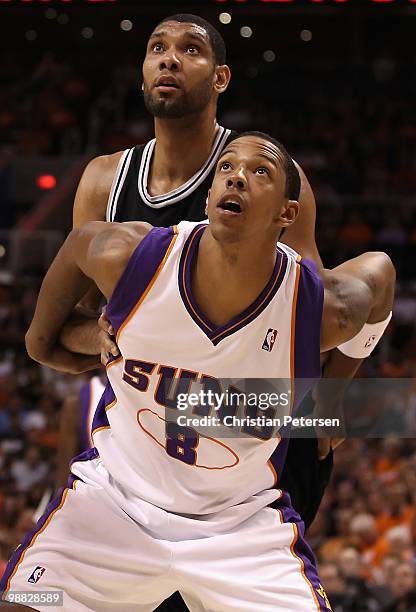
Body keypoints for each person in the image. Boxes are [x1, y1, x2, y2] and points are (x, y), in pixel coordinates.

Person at [1, 132, 395, 611]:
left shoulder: (318, 310)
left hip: (240, 529)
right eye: (226, 167)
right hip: (113, 510)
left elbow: (380, 274)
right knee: (21, 598)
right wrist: (96, 339)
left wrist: (329, 404)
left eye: (260, 171)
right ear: (209, 193)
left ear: (286, 215)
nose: (237, 176)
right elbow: (39, 343)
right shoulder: (127, 258)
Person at [50, 13, 380, 531]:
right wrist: (102, 333)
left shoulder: (271, 179)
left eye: (190, 50)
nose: (170, 59)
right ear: (141, 71)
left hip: (256, 459)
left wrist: (329, 411)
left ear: (221, 77)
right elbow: (72, 336)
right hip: (149, 446)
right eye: (157, 47)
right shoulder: (103, 180)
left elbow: (307, 328)